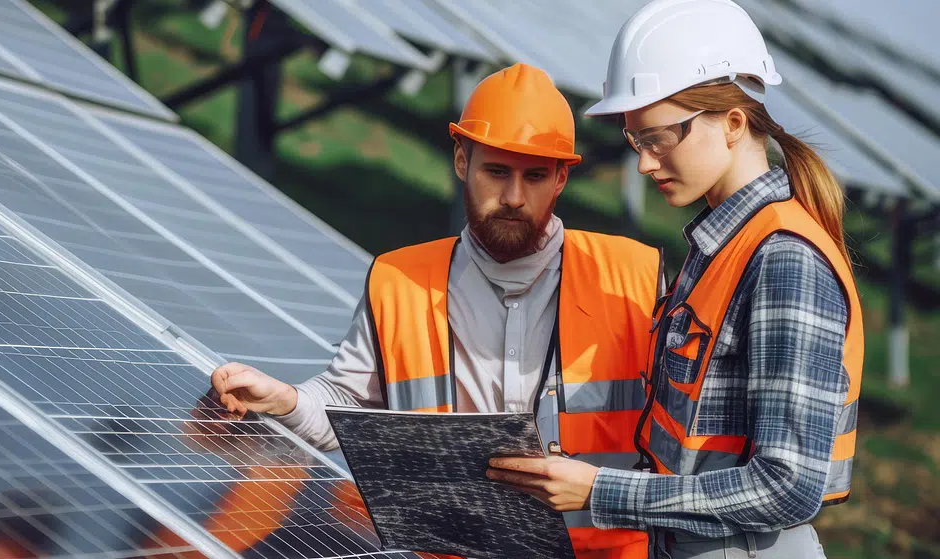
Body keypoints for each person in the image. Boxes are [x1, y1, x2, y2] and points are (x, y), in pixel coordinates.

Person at [211, 63, 662, 559]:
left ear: (560, 178)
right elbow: (345, 407)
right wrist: (286, 401)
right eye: (496, 171)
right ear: (461, 159)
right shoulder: (398, 282)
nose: (514, 197)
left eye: (534, 176)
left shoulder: (637, 278)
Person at [484, 2, 863, 558]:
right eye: (638, 141)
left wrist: (600, 490)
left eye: (660, 137)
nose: (644, 163)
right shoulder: (723, 248)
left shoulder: (784, 261)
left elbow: (788, 487)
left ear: (733, 122)